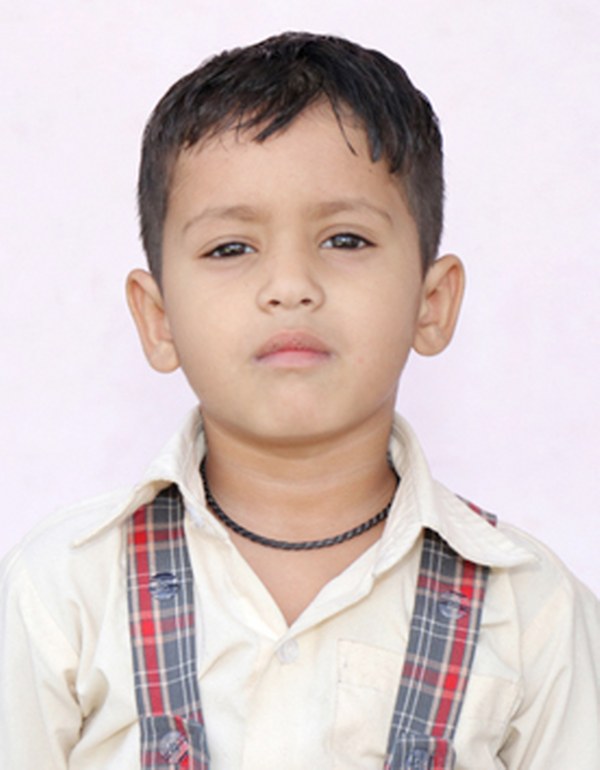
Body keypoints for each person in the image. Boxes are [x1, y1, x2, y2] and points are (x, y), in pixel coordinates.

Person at [0, 31, 598, 770]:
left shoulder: (531, 612)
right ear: (158, 319)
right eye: (231, 248)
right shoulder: (63, 592)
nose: (289, 285)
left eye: (345, 240)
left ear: (432, 303)